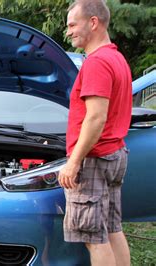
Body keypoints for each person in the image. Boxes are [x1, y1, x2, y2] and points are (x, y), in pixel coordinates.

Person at [58, 1, 132, 265]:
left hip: (95, 159)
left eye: (72, 24)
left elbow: (96, 117)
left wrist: (74, 162)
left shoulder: (97, 62)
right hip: (114, 153)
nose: (68, 32)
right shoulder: (116, 58)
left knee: (93, 237)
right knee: (112, 229)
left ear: (93, 22)